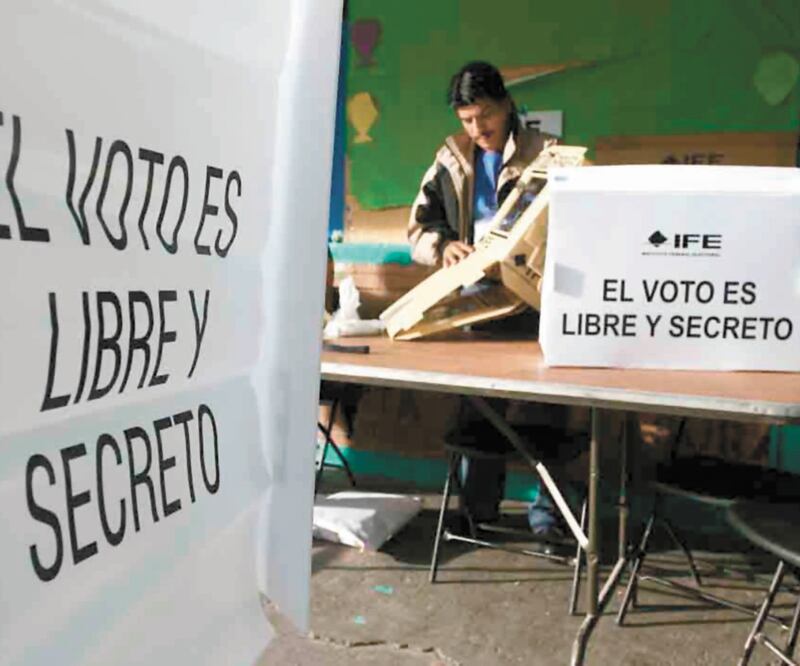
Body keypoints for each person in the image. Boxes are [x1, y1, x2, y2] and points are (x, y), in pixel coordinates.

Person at [406, 60, 568, 538]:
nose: (477, 129)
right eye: (467, 120)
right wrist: (443, 246)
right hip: (476, 303)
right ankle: (478, 514)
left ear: (507, 105)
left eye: (485, 116)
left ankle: (550, 521)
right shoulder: (451, 159)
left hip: (537, 305)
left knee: (546, 417)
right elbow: (420, 225)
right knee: (476, 412)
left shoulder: (548, 154)